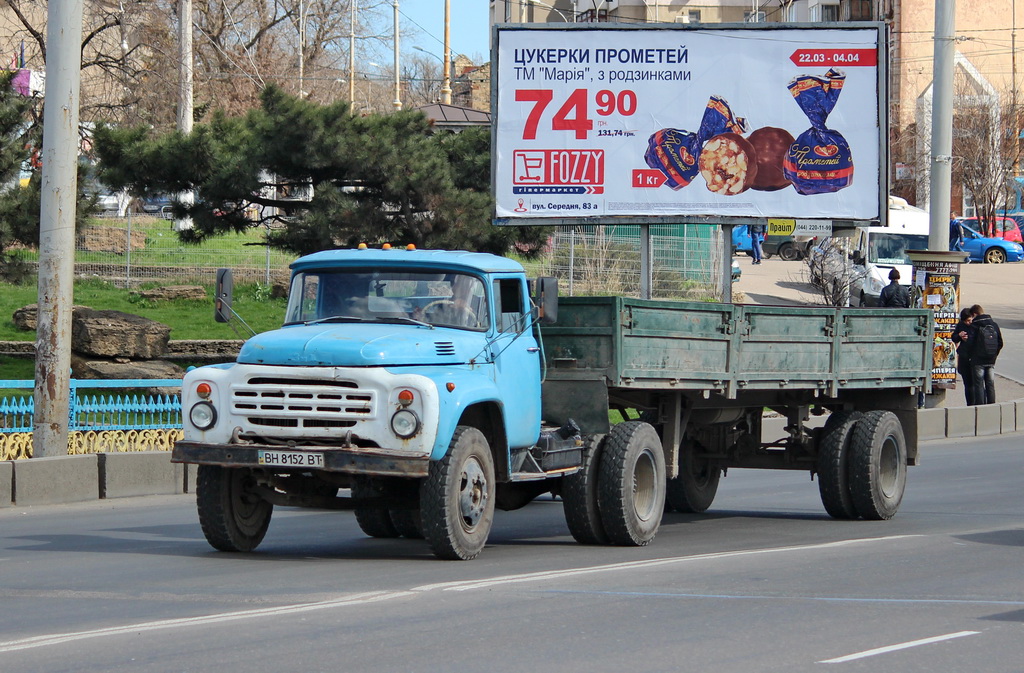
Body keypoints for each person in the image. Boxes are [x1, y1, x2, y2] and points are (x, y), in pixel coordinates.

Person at [967, 304, 1002, 405]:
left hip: (978, 360)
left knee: (979, 385)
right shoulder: (994, 325)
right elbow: (1000, 342)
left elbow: (970, 343)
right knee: (990, 383)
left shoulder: (974, 326)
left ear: (974, 314)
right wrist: (994, 354)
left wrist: (971, 356)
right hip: (991, 360)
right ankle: (992, 405)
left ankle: (981, 407)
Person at [951, 307, 975, 406]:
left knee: (974, 384)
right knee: (967, 384)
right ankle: (969, 403)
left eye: (970, 320)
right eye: (967, 321)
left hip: (973, 357)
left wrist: (968, 338)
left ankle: (975, 403)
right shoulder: (960, 325)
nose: (969, 323)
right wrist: (959, 336)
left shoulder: (975, 325)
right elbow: (954, 338)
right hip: (964, 357)